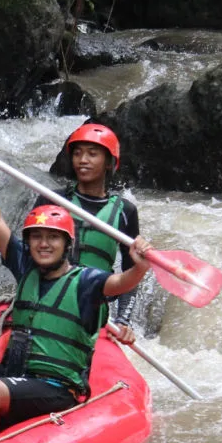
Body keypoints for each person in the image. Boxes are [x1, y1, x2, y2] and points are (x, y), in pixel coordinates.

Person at [0, 146, 153, 442]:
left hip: (56, 387)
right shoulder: (24, 265)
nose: (43, 244)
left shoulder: (86, 281)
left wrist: (140, 266)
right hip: (18, 373)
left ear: (67, 244)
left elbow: (122, 282)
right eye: (37, 237)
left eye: (53, 237)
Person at [41, 123, 143, 341]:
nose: (82, 160)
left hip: (91, 308)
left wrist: (123, 321)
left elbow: (131, 275)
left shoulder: (125, 212)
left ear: (109, 162)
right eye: (77, 154)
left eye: (92, 154)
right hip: (48, 299)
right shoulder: (52, 201)